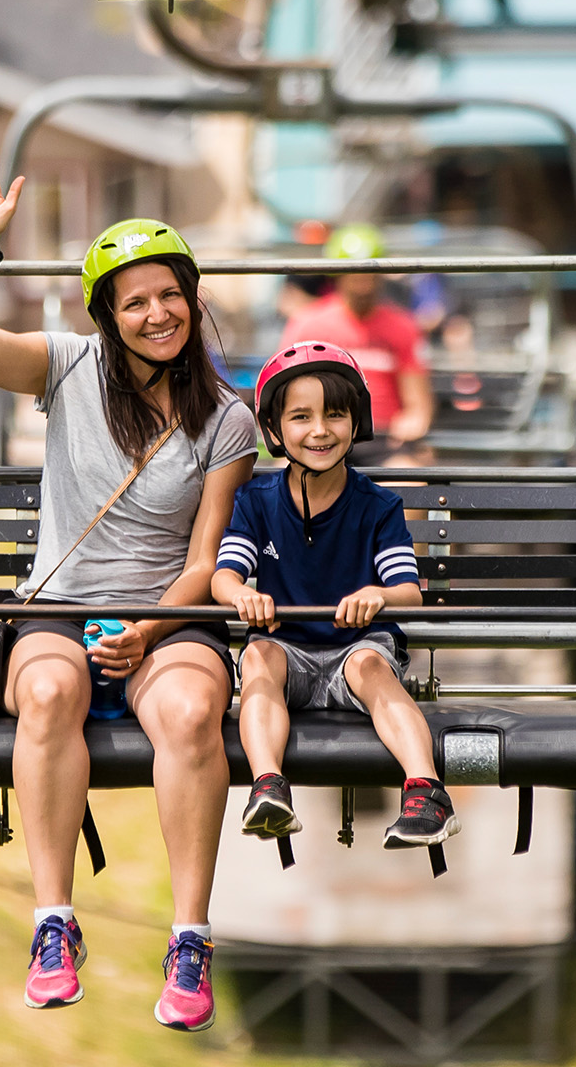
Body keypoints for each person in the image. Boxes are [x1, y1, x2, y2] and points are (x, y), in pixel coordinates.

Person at [0, 141, 257, 1029]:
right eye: (135, 302)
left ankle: (190, 938)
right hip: (62, 606)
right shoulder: (69, 368)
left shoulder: (227, 420)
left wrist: (149, 632)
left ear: (194, 299)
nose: (157, 315)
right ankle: (52, 922)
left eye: (170, 295)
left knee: (191, 716)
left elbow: (202, 560)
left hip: (168, 618)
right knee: (44, 693)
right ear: (108, 317)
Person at [210, 342, 460, 851]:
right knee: (257, 655)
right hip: (290, 650)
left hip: (355, 648)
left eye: (335, 414)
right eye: (300, 417)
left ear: (358, 421)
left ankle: (426, 791)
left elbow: (408, 593)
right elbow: (223, 576)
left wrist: (378, 595)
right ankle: (269, 786)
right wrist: (241, 594)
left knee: (372, 668)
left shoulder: (378, 506)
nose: (320, 430)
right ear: (275, 431)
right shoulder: (255, 502)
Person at [279, 223, 435, 467]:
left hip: (383, 439)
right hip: (319, 434)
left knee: (411, 482)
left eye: (369, 271)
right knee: (289, 480)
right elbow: (285, 391)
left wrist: (413, 422)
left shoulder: (403, 326)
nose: (362, 280)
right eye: (354, 272)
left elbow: (417, 404)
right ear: (337, 274)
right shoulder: (307, 324)